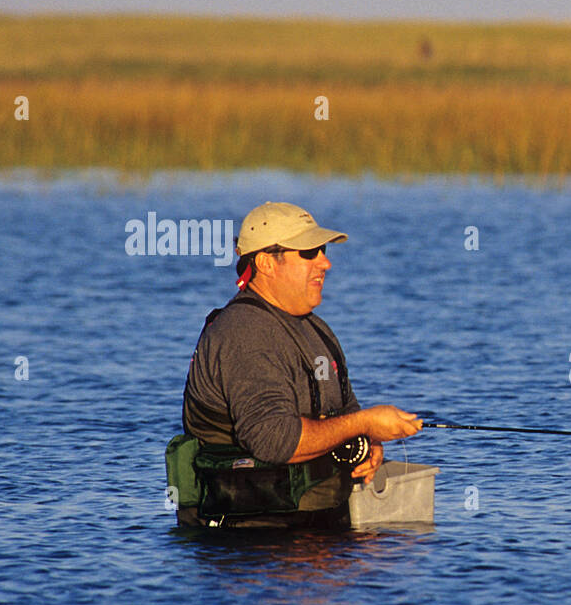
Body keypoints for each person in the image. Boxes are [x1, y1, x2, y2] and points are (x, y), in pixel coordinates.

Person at [168, 201, 422, 527]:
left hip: (315, 532)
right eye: (308, 253)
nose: (325, 263)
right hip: (249, 544)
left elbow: (344, 418)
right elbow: (274, 440)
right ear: (265, 263)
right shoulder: (244, 332)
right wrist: (364, 424)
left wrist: (367, 444)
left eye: (323, 250)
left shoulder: (317, 330)